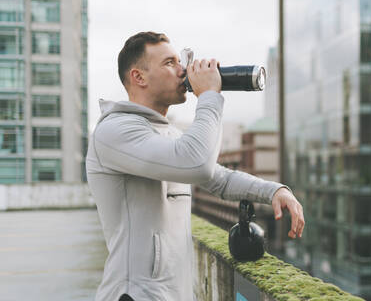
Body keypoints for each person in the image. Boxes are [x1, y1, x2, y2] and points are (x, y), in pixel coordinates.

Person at [86, 31, 305, 301]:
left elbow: (218, 178)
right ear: (138, 77)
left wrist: (273, 191)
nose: (183, 71)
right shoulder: (115, 132)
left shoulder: (164, 134)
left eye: (181, 61)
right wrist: (210, 96)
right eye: (170, 63)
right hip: (133, 294)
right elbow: (197, 164)